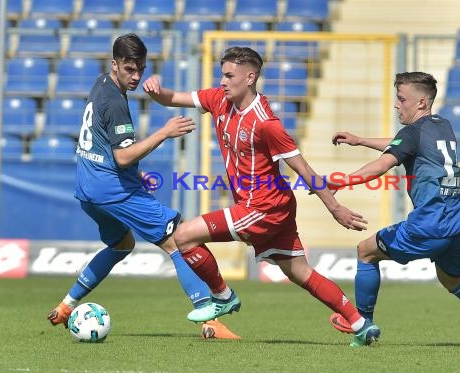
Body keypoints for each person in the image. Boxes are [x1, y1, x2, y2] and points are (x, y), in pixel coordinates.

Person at [143, 46, 380, 347]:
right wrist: (156, 91)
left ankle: (222, 296)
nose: (223, 81)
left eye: (229, 76)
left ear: (250, 77)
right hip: (268, 206)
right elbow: (173, 98)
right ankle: (360, 325)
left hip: (264, 206)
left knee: (184, 235)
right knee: (301, 273)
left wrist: (335, 208)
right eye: (222, 75)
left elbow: (303, 167)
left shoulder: (266, 123)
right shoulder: (218, 99)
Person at [47, 33, 239, 340]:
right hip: (112, 189)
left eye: (141, 69)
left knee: (122, 244)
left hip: (87, 188)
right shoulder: (115, 101)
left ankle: (67, 305)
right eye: (129, 70)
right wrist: (164, 132)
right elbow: (122, 156)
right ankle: (211, 322)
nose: (136, 76)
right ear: (115, 65)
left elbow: (105, 145)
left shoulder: (101, 84)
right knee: (179, 240)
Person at [326, 71, 460, 349]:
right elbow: (404, 145)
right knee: (452, 280)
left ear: (421, 103)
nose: (396, 105)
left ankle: (362, 323)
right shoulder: (442, 126)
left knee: (365, 251)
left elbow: (384, 164)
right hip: (459, 219)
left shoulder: (413, 133)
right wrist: (360, 140)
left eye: (402, 99)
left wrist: (342, 181)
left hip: (432, 222)